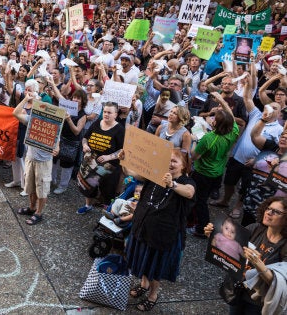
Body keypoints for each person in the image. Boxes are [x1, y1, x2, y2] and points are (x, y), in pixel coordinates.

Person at [123, 148, 196, 311]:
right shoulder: (156, 172)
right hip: (143, 228)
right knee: (143, 259)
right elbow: (134, 174)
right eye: (168, 160)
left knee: (155, 267)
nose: (170, 164)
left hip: (163, 235)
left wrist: (172, 184)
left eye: (175, 161)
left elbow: (190, 193)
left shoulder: (187, 181)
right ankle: (143, 284)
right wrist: (124, 161)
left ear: (184, 166)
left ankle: (153, 295)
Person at [204, 197, 287, 314]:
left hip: (258, 300)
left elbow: (280, 283)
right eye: (268, 208)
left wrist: (259, 264)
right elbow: (231, 249)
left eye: (276, 212)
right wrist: (213, 236)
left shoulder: (284, 246)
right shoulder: (255, 228)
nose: (268, 212)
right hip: (238, 291)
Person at [188, 91, 239, 238]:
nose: (211, 119)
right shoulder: (233, 132)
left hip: (203, 173)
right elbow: (230, 114)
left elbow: (194, 155)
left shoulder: (208, 138)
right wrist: (222, 100)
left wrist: (196, 140)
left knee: (200, 201)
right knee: (205, 196)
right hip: (218, 172)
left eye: (214, 119)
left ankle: (201, 228)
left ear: (215, 124)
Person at [12, 91, 59, 226]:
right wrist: (26, 99)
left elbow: (58, 144)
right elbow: (15, 113)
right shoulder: (31, 119)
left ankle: (39, 213)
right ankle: (32, 208)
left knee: (42, 189)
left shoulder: (54, 126)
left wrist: (57, 149)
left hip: (44, 162)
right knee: (31, 186)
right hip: (30, 158)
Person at [78, 102, 125, 214]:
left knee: (107, 190)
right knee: (89, 186)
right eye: (104, 111)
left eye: (109, 112)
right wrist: (85, 145)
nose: (106, 114)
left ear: (115, 114)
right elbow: (85, 138)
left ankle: (106, 212)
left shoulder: (120, 129)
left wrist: (109, 157)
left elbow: (123, 150)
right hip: (91, 162)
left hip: (109, 166)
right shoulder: (97, 123)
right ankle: (88, 205)